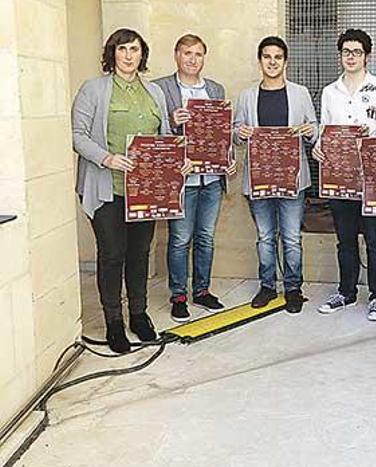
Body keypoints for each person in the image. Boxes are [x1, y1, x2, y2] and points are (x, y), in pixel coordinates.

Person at [72, 28, 178, 353]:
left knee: (139, 254)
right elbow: (77, 135)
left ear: (142, 54)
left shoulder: (155, 92)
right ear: (112, 53)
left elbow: (165, 136)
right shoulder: (94, 89)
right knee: (112, 255)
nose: (128, 55)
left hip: (145, 194)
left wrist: (177, 161)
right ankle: (114, 323)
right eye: (122, 49)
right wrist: (108, 158)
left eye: (134, 49)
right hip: (107, 189)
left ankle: (139, 315)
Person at [313, 29, 376, 321]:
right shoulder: (329, 92)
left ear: (367, 56)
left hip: (373, 180)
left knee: (375, 239)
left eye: (357, 52)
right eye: (346, 52)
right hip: (340, 179)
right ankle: (346, 292)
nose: (351, 57)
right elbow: (324, 133)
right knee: (345, 239)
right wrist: (318, 148)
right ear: (340, 55)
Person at [233, 36, 317, 314]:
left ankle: (293, 288)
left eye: (277, 57)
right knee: (265, 237)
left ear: (285, 61)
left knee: (292, 237)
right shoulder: (246, 96)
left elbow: (314, 128)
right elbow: (235, 134)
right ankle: (267, 286)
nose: (272, 62)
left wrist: (309, 132)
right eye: (267, 57)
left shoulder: (300, 93)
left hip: (292, 179)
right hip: (259, 179)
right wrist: (240, 133)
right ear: (260, 61)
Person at [154, 34, 230, 322]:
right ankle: (178, 295)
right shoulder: (161, 88)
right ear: (176, 55)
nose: (192, 59)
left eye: (198, 54)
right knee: (179, 239)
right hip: (181, 179)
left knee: (206, 238)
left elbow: (222, 134)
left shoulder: (215, 88)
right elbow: (155, 131)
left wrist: (227, 160)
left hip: (210, 179)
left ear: (204, 58)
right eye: (187, 53)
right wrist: (173, 122)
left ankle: (202, 290)